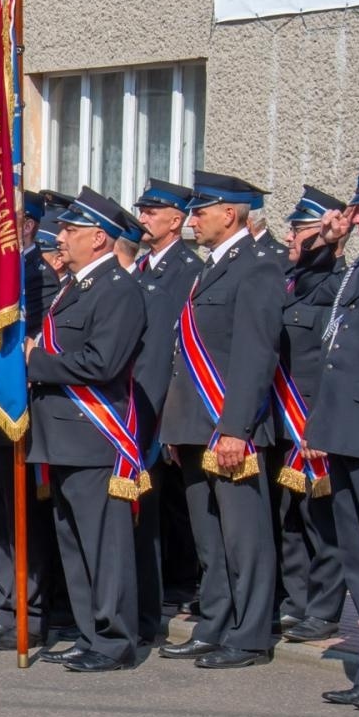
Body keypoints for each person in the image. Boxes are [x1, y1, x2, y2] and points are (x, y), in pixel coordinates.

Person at [158, 171, 284, 668]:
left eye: (200, 212)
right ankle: (213, 624)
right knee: (208, 538)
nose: (193, 222)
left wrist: (236, 429)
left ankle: (249, 636)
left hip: (231, 429)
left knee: (244, 538)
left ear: (228, 214)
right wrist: (177, 425)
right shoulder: (210, 267)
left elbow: (256, 354)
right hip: (194, 425)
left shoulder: (257, 267)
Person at [26, 188, 147, 671]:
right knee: (74, 543)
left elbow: (103, 362)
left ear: (99, 238)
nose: (63, 237)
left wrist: (38, 362)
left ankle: (115, 640)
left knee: (104, 545)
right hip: (62, 434)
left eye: (72, 230)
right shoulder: (76, 287)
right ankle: (90, 632)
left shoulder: (118, 289)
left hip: (94, 435)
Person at [0, 191, 65, 650]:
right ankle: (8, 605)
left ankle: (31, 610)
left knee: (21, 519)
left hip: (16, 415)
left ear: (25, 226)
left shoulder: (38, 278)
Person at [305, 161, 359, 709]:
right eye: (353, 213)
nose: (355, 221)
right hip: (346, 431)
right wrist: (325, 244)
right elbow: (307, 294)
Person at [127, 178, 204, 644]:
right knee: (136, 511)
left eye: (152, 213)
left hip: (156, 409)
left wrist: (166, 413)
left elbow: (178, 352)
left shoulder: (186, 270)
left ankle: (149, 611)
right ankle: (136, 605)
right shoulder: (140, 268)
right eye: (142, 211)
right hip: (128, 406)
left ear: (176, 220)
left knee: (153, 512)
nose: (143, 219)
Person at [274, 186, 349, 643]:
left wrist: (320, 421)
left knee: (322, 520)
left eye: (300, 229)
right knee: (290, 518)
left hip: (312, 418)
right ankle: (296, 602)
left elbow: (330, 363)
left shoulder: (340, 283)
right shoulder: (291, 278)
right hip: (282, 417)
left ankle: (324, 608)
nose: (290, 236)